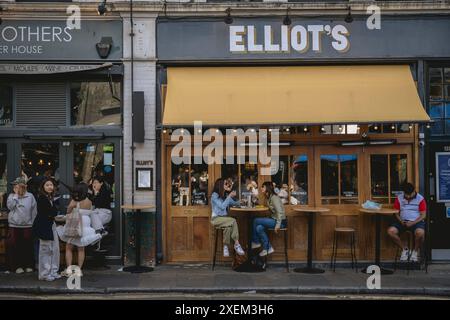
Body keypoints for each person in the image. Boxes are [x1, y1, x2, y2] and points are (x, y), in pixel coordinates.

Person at [57, 183, 102, 277]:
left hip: (76, 224)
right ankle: (79, 270)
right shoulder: (89, 201)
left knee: (69, 247)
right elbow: (90, 212)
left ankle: (69, 269)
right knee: (81, 249)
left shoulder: (75, 201)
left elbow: (68, 212)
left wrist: (70, 208)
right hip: (86, 224)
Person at [387, 182, 426, 262]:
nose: (407, 196)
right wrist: (401, 221)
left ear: (414, 191)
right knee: (390, 231)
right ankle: (405, 250)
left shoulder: (420, 199)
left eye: (410, 195)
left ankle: (415, 252)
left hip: (416, 222)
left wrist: (413, 223)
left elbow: (423, 215)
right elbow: (396, 212)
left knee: (420, 233)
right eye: (406, 194)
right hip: (402, 222)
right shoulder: (399, 198)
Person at [6, 177, 37, 273]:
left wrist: (32, 223)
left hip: (27, 226)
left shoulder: (30, 196)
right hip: (14, 226)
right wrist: (16, 195)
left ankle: (28, 265)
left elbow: (34, 211)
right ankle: (17, 266)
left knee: (27, 247)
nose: (15, 187)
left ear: (23, 187)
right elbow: (10, 207)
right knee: (16, 247)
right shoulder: (12, 196)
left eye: (17, 186)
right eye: (14, 186)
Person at [32, 177, 60, 281]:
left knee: (55, 249)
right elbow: (51, 212)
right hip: (44, 226)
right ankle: (44, 274)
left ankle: (53, 271)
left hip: (50, 224)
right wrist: (53, 212)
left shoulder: (50, 197)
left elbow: (52, 213)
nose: (50, 187)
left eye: (51, 185)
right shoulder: (42, 198)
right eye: (47, 185)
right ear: (43, 187)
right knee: (46, 250)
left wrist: (52, 212)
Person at [210, 178, 245, 257]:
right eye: (225, 184)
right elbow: (222, 207)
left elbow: (234, 203)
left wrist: (241, 201)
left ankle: (225, 246)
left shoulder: (224, 195)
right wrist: (229, 196)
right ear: (220, 185)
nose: (227, 185)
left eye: (227, 184)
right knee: (233, 221)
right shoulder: (214, 195)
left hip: (224, 219)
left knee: (228, 226)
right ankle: (237, 244)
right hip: (216, 219)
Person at [251, 181, 287, 257]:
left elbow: (280, 212)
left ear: (267, 188)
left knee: (255, 220)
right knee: (259, 227)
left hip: (280, 222)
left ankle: (256, 242)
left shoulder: (274, 198)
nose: (261, 188)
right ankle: (268, 248)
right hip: (274, 219)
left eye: (263, 187)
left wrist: (278, 225)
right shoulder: (269, 197)